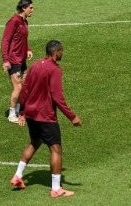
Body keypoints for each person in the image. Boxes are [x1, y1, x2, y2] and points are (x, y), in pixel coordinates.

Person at [10, 40, 81, 198]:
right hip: (46, 116)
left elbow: (25, 89)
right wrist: (72, 117)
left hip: (31, 115)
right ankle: (56, 189)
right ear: (56, 52)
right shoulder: (55, 69)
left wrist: (22, 111)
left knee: (35, 142)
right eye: (61, 51)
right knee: (56, 150)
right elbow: (57, 97)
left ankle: (18, 175)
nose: (62, 53)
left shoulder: (35, 65)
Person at [2, 0, 34, 123]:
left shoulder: (25, 22)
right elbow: (5, 40)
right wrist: (5, 60)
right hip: (13, 59)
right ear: (23, 8)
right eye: (30, 8)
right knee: (18, 87)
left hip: (22, 58)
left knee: (25, 85)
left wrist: (28, 49)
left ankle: (19, 110)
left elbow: (24, 38)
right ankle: (11, 114)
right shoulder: (13, 21)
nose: (32, 10)